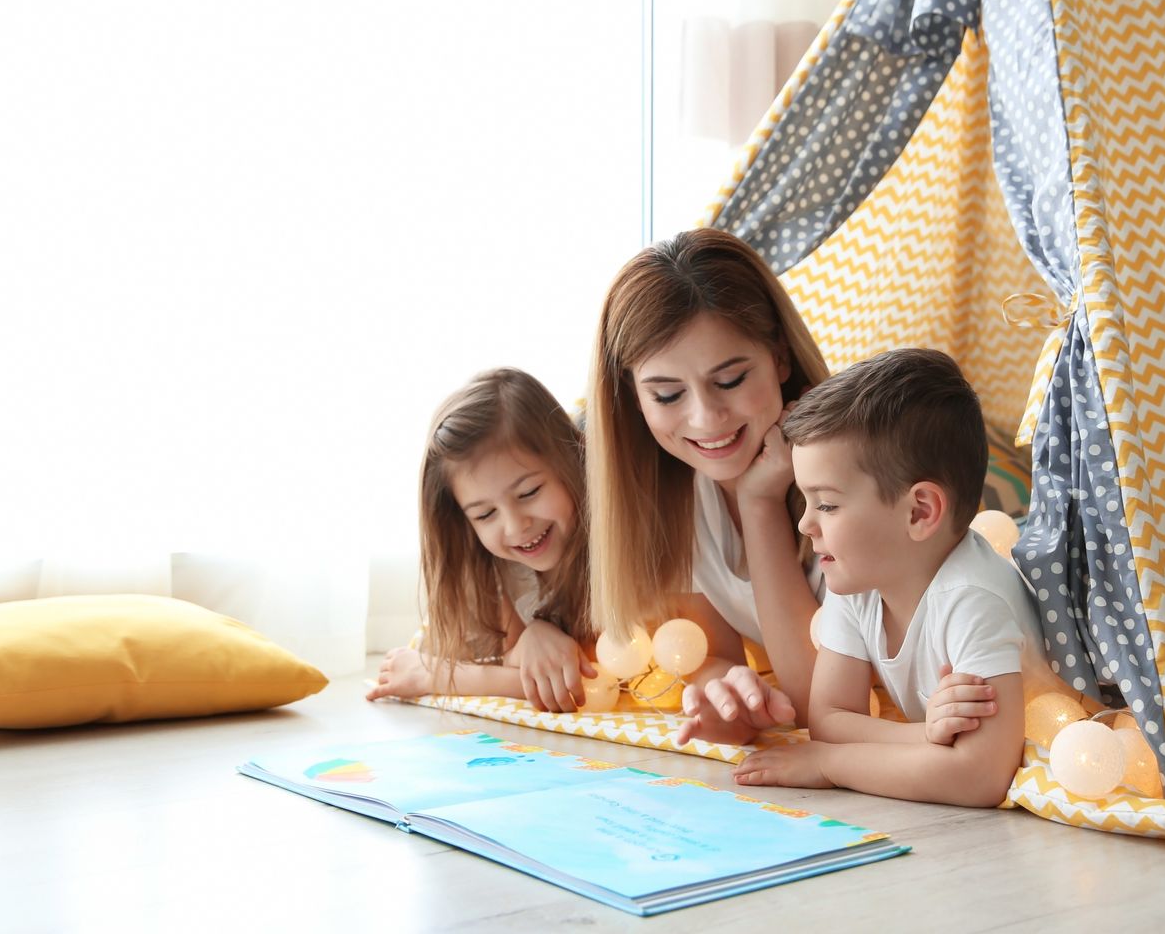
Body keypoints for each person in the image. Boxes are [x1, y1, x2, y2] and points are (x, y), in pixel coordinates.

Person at [587, 229, 998, 746]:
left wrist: (759, 502)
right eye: (667, 394)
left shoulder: (851, 489)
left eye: (731, 380)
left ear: (780, 356)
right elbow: (713, 652)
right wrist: (721, 690)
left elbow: (815, 701)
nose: (705, 417)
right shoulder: (678, 492)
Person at [733, 348, 1045, 806]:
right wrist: (925, 736)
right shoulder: (858, 582)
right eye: (806, 500)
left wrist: (828, 765)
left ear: (919, 512)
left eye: (828, 504)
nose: (805, 524)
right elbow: (829, 719)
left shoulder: (973, 600)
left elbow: (981, 776)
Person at [367, 368, 597, 712]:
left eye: (529, 492)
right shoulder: (490, 566)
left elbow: (605, 683)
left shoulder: (613, 539)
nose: (516, 526)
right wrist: (530, 639)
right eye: (484, 515)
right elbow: (513, 663)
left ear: (570, 460)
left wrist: (435, 676)